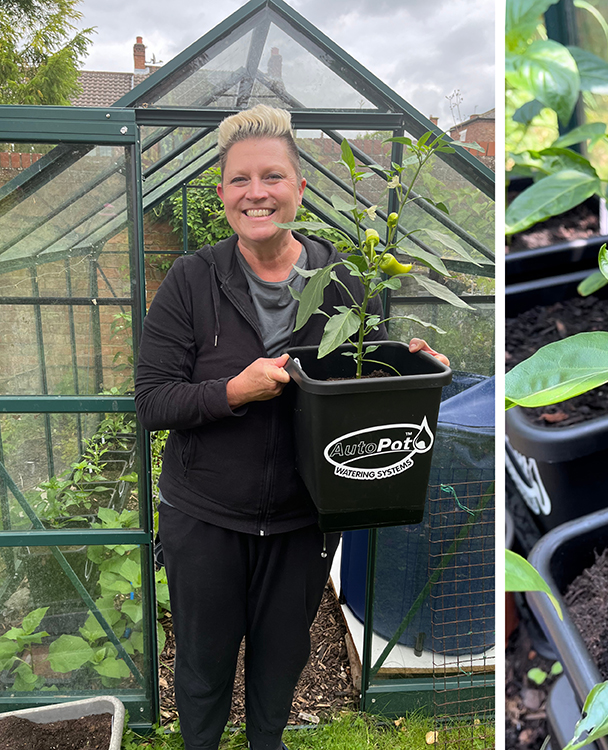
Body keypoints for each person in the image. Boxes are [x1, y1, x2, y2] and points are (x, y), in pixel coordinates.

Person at [135, 104, 447, 750]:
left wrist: (410, 368)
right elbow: (153, 401)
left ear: (300, 188)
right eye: (240, 179)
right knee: (203, 668)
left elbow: (365, 385)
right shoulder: (192, 281)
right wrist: (233, 391)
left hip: (302, 520)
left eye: (272, 176)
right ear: (222, 194)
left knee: (279, 666)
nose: (257, 193)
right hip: (206, 519)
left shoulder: (343, 282)